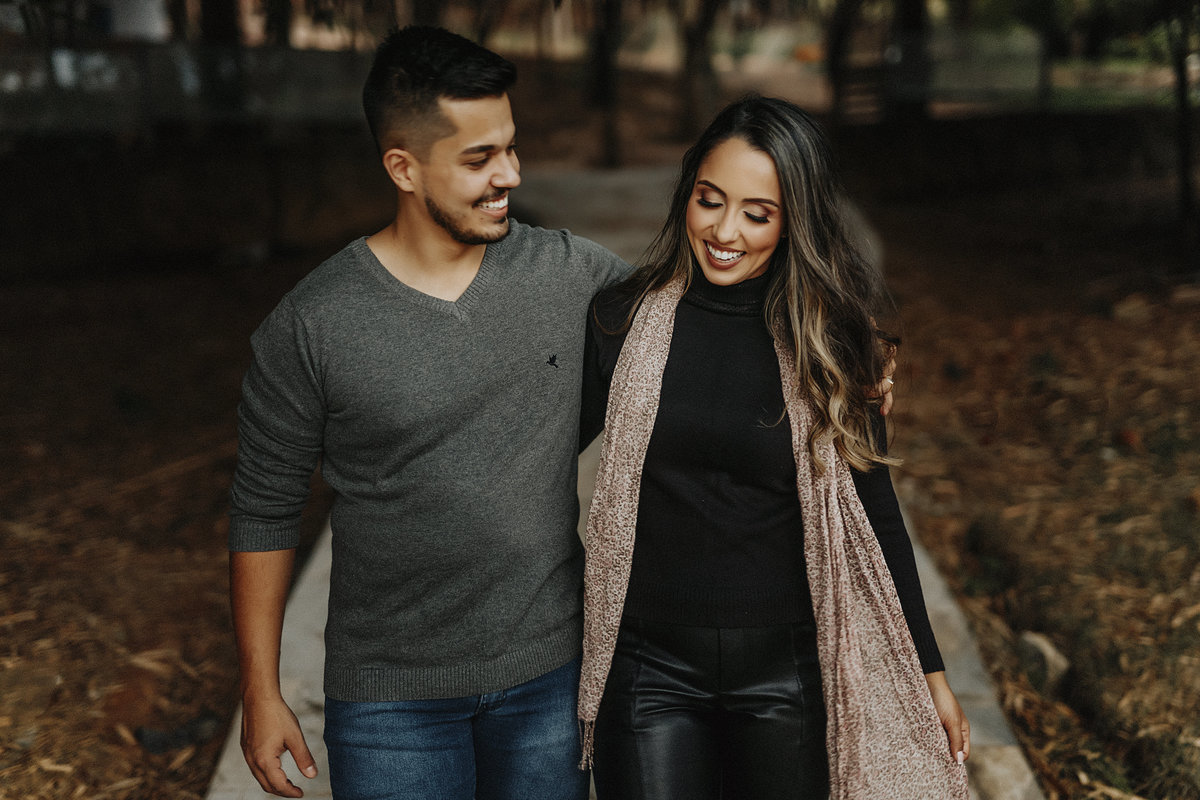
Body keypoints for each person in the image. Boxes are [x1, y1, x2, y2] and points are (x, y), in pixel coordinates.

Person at [227, 26, 633, 800]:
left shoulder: (571, 274)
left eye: (510, 148)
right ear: (403, 168)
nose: (509, 174)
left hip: (548, 676)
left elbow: (699, 325)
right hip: (389, 702)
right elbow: (263, 509)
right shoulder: (312, 324)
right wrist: (261, 689)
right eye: (479, 159)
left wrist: (851, 357)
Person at [576, 96, 970, 800]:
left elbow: (875, 514)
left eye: (757, 214)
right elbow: (539, 456)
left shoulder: (831, 344)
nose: (725, 231)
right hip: (648, 670)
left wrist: (929, 673)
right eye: (709, 200)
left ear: (795, 222)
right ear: (687, 195)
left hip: (786, 675)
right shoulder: (621, 321)